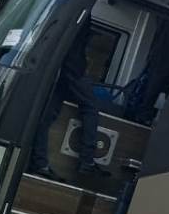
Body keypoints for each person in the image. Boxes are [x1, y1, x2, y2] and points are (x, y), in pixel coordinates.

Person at [29, 18, 110, 181]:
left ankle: (39, 163)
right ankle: (87, 160)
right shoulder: (85, 8)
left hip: (59, 68)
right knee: (91, 106)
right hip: (72, 66)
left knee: (46, 118)